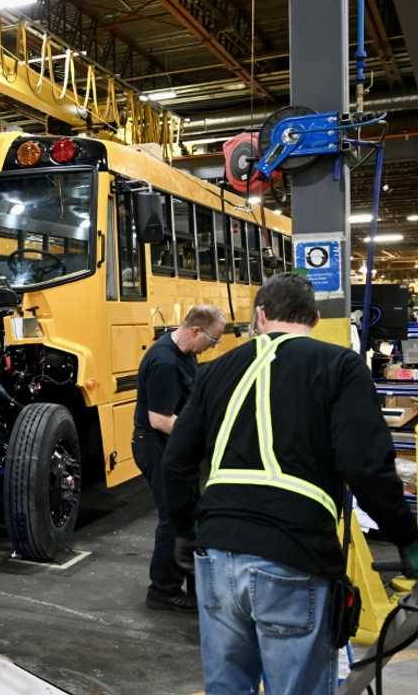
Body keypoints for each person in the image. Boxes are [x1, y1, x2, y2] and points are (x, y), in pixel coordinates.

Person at [164, 273, 418, 694]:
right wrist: (406, 537)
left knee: (227, 687)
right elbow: (366, 466)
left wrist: (183, 531)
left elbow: (176, 462)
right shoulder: (340, 365)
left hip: (218, 555)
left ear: (260, 316)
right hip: (294, 555)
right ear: (314, 319)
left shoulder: (215, 370)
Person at [133, 304, 226, 611]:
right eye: (213, 340)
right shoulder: (164, 363)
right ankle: (163, 591)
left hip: (174, 447)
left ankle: (192, 585)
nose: (213, 346)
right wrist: (203, 437)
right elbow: (160, 419)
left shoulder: (186, 354)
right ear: (196, 330)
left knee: (188, 515)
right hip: (156, 446)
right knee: (173, 518)